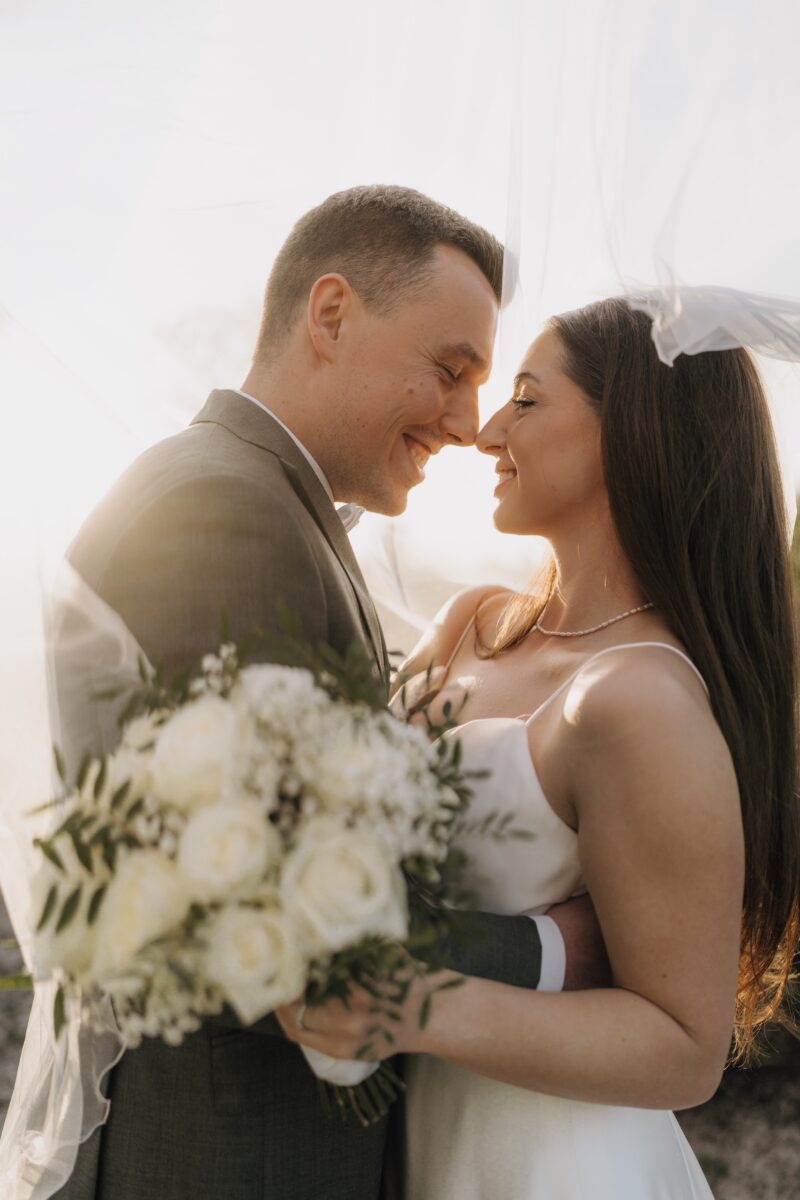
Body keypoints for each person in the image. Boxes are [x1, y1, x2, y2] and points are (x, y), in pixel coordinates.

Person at [48, 186, 604, 1200]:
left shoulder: (253, 496)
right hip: (232, 1153)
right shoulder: (227, 513)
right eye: (448, 370)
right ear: (332, 313)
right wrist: (557, 949)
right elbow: (272, 910)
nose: (466, 421)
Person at [277, 298, 800, 1198]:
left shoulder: (640, 700)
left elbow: (685, 1048)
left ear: (626, 432)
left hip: (555, 1164)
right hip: (423, 1143)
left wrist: (410, 1004)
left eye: (524, 399)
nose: (484, 433)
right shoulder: (472, 621)